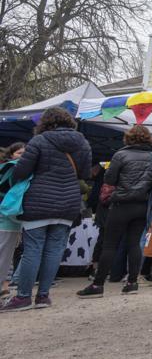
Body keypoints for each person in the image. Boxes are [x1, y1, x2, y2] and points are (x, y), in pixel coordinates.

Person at [1, 107, 91, 312]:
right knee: (54, 250)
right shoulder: (83, 143)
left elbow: (21, 172)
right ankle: (43, 296)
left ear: (45, 122)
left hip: (38, 202)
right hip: (68, 203)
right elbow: (85, 173)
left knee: (32, 249)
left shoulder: (39, 141)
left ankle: (23, 297)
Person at [77, 126, 152, 298]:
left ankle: (98, 284)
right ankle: (132, 282)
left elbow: (109, 179)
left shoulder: (120, 155)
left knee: (110, 245)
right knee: (134, 244)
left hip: (121, 203)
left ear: (128, 138)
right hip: (142, 205)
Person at [0, 143, 26, 298]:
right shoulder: (13, 169)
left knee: (7, 256)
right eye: (19, 153)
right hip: (7, 218)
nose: (22, 156)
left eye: (25, 153)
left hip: (9, 220)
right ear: (11, 155)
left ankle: (4, 285)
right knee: (5, 255)